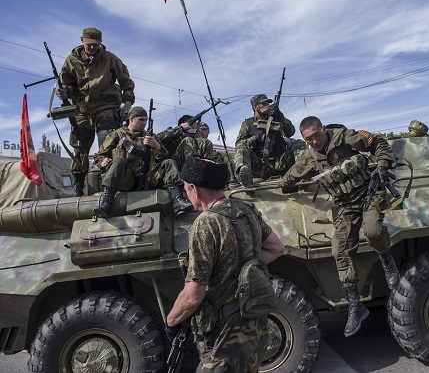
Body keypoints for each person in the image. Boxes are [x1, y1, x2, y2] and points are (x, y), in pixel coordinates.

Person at [280, 116, 400, 337]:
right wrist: (281, 185)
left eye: (316, 135)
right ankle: (355, 304)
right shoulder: (309, 157)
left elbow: (378, 143)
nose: (314, 141)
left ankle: (386, 259)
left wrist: (383, 166)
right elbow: (290, 178)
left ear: (323, 129)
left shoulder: (345, 137)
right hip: (345, 205)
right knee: (339, 250)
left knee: (373, 231)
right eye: (308, 139)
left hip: (369, 193)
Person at [166, 154, 285, 372]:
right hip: (254, 319)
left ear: (195, 188)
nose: (187, 194)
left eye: (186, 189)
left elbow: (193, 296)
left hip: (225, 328)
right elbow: (277, 248)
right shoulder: (247, 210)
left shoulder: (206, 222)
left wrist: (171, 321)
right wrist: (242, 274)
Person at [57, 27, 136, 197]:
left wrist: (127, 104)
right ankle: (78, 187)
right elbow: (67, 85)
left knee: (106, 141)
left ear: (101, 43)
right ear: (82, 40)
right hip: (82, 110)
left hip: (106, 106)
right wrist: (64, 92)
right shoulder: (71, 61)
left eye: (96, 45)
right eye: (89, 44)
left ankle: (108, 185)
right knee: (80, 149)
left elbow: (126, 83)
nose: (92, 48)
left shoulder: (110, 59)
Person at [93, 106, 193, 217]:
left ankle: (177, 200)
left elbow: (164, 157)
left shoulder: (150, 137)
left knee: (169, 162)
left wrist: (157, 147)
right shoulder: (116, 135)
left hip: (147, 178)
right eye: (141, 119)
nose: (144, 123)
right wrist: (103, 160)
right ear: (131, 119)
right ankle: (107, 201)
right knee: (119, 161)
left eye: (146, 120)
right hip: (125, 179)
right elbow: (98, 156)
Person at [234, 94, 296, 187]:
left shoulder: (276, 120)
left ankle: (303, 173)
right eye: (264, 103)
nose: (268, 105)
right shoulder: (248, 124)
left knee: (298, 143)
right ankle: (246, 179)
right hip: (259, 166)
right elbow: (239, 144)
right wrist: (256, 138)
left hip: (279, 163)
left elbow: (291, 132)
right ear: (255, 107)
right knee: (241, 146)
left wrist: (280, 117)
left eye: (269, 103)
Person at [157, 114, 222, 171]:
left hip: (189, 164)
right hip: (172, 165)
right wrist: (181, 128)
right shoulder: (175, 133)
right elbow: (158, 138)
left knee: (216, 154)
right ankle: (193, 172)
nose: (196, 129)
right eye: (194, 127)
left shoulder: (196, 140)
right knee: (188, 140)